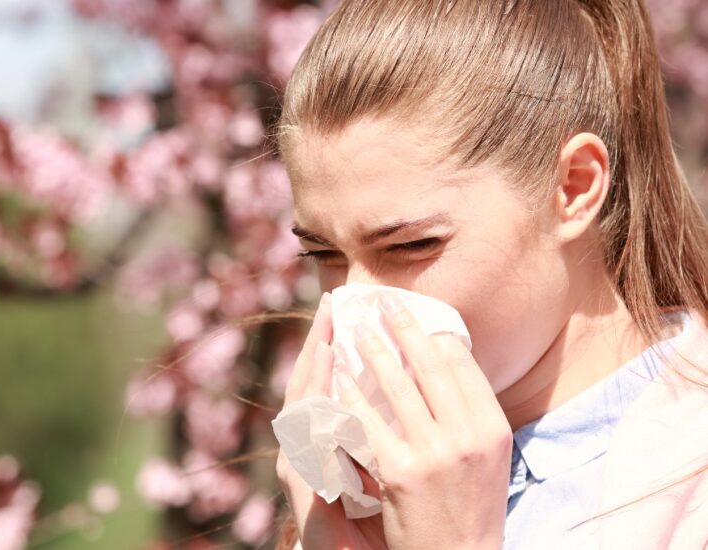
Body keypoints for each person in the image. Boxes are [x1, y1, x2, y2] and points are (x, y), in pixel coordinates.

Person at [272, 0, 708, 548]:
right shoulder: (362, 483)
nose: (357, 298)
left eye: (411, 245)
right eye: (324, 255)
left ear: (574, 187)